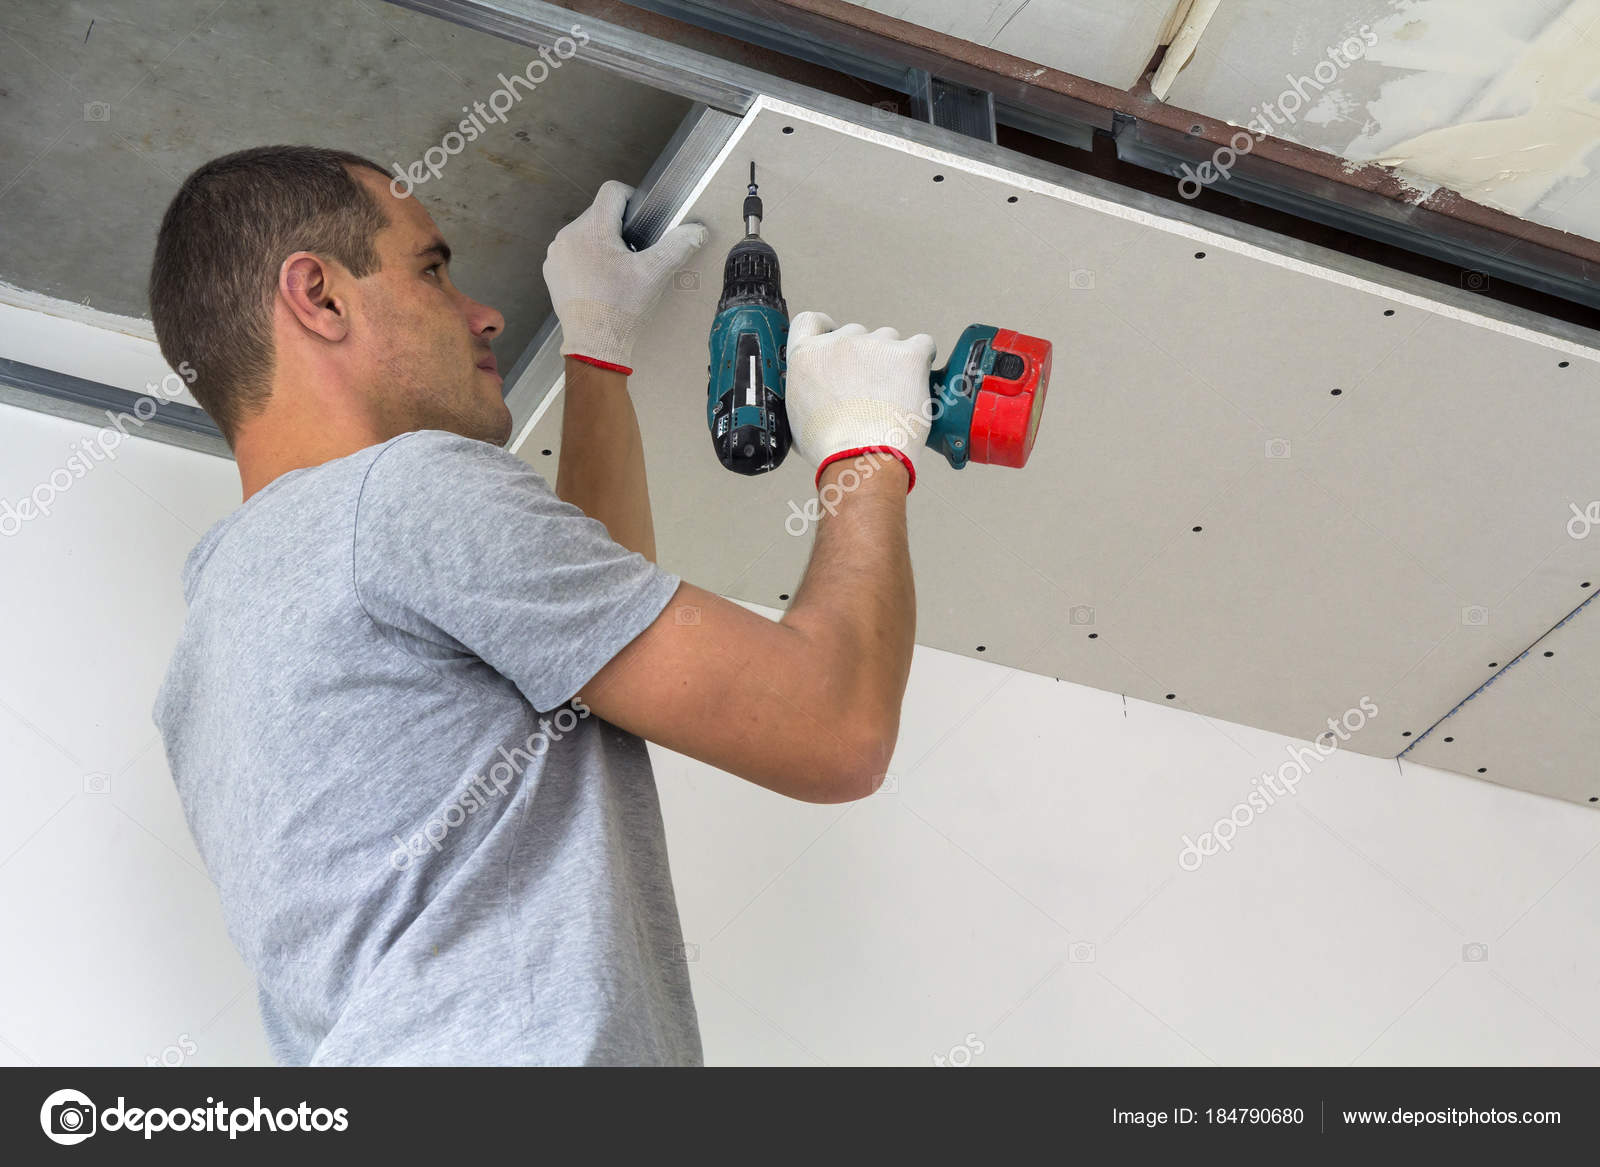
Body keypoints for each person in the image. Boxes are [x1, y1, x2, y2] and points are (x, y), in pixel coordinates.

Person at [148, 145, 936, 1065]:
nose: (486, 313)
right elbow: (833, 728)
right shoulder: (403, 494)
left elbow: (586, 640)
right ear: (318, 298)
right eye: (433, 270)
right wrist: (868, 448)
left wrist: (597, 348)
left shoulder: (218, 630)